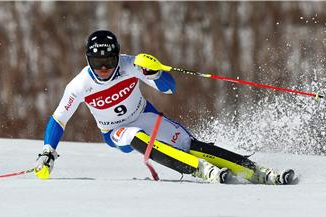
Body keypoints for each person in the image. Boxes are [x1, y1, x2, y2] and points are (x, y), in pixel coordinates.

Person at [35, 30, 295, 185]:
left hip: (145, 115)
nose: (104, 69)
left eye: (109, 61)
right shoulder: (79, 85)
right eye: (97, 62)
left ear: (117, 57)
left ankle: (256, 172)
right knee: (137, 138)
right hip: (115, 132)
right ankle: (200, 170)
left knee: (187, 143)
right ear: (87, 60)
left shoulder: (130, 65)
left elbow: (169, 89)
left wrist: (156, 72)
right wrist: (48, 151)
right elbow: (59, 119)